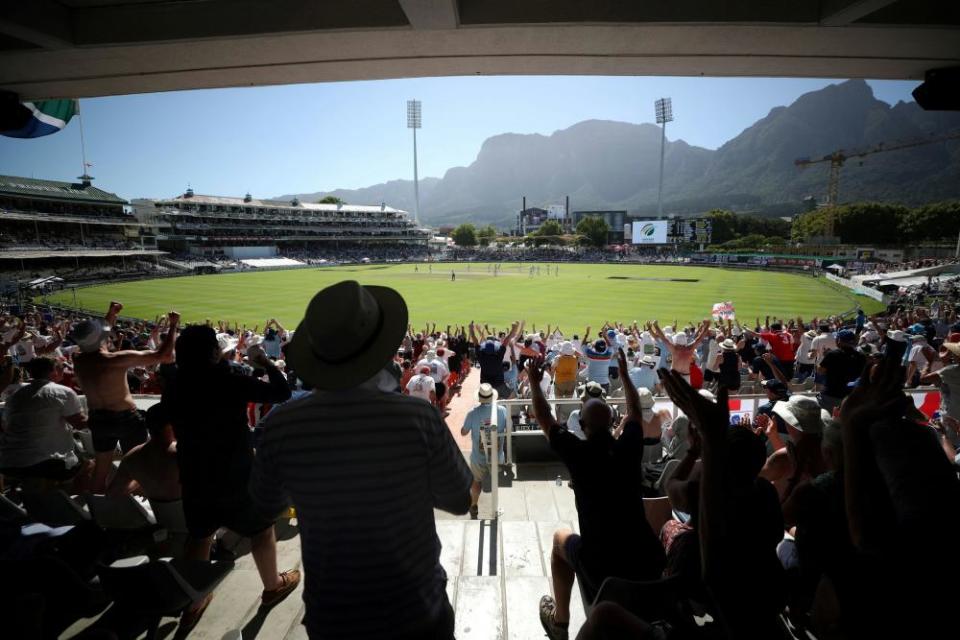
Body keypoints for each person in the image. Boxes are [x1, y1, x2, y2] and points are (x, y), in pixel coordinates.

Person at [251, 281, 473, 640]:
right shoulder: (417, 417)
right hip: (418, 610)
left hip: (333, 618)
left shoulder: (280, 426)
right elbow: (461, 500)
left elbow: (262, 508)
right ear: (381, 347)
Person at [165, 325, 299, 633]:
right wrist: (264, 364)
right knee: (262, 531)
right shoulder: (229, 380)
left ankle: (195, 601)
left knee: (200, 536)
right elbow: (281, 392)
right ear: (213, 352)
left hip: (195, 473)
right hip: (235, 474)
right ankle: (272, 586)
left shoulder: (174, 382)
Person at [528, 351, 665, 640]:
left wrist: (533, 381)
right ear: (613, 420)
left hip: (601, 564)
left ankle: (560, 621)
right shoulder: (629, 447)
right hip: (645, 556)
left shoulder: (578, 452)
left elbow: (544, 417)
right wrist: (626, 376)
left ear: (584, 427)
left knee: (559, 539)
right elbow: (636, 414)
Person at [71, 302, 179, 491]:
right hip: (126, 419)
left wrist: (111, 314)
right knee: (139, 466)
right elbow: (165, 355)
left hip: (97, 419)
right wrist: (173, 325)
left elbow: (97, 340)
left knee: (101, 469)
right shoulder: (115, 360)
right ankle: (127, 499)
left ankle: (99, 508)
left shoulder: (78, 358)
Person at [0, 357, 87, 484]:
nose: (64, 370)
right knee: (89, 466)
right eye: (62, 367)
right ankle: (57, 499)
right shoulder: (63, 392)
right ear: (54, 371)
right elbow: (80, 424)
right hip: (43, 464)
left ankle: (44, 494)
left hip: (9, 463)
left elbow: (6, 426)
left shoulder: (15, 396)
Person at [106, 394, 180, 503]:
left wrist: (140, 480)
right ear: (170, 426)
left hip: (160, 516)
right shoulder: (180, 453)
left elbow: (113, 492)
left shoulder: (132, 456)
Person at [460, 383, 508, 518]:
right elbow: (507, 428)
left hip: (478, 457)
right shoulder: (502, 410)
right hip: (497, 456)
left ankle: (474, 505)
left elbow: (463, 432)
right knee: (495, 482)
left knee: (476, 482)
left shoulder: (472, 413)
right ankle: (495, 506)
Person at [817, 329, 865, 414]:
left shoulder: (832, 354)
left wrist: (824, 357)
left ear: (839, 340)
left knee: (828, 422)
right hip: (850, 397)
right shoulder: (861, 356)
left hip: (831, 395)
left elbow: (820, 371)